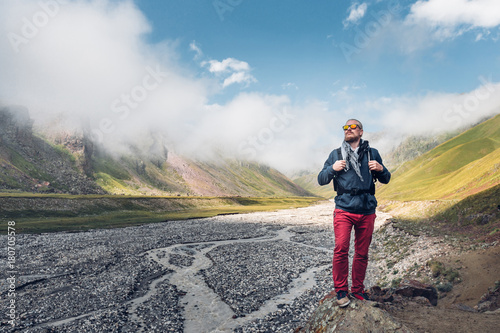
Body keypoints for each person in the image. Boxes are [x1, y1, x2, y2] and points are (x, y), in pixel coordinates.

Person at [317, 119, 391, 307]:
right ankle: (341, 290)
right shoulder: (335, 154)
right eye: (345, 127)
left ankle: (357, 290)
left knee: (362, 253)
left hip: (367, 209)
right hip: (344, 208)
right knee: (341, 249)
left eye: (353, 127)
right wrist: (332, 169)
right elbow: (321, 179)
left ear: (361, 132)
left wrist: (381, 169)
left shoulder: (372, 153)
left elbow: (386, 179)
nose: (348, 130)